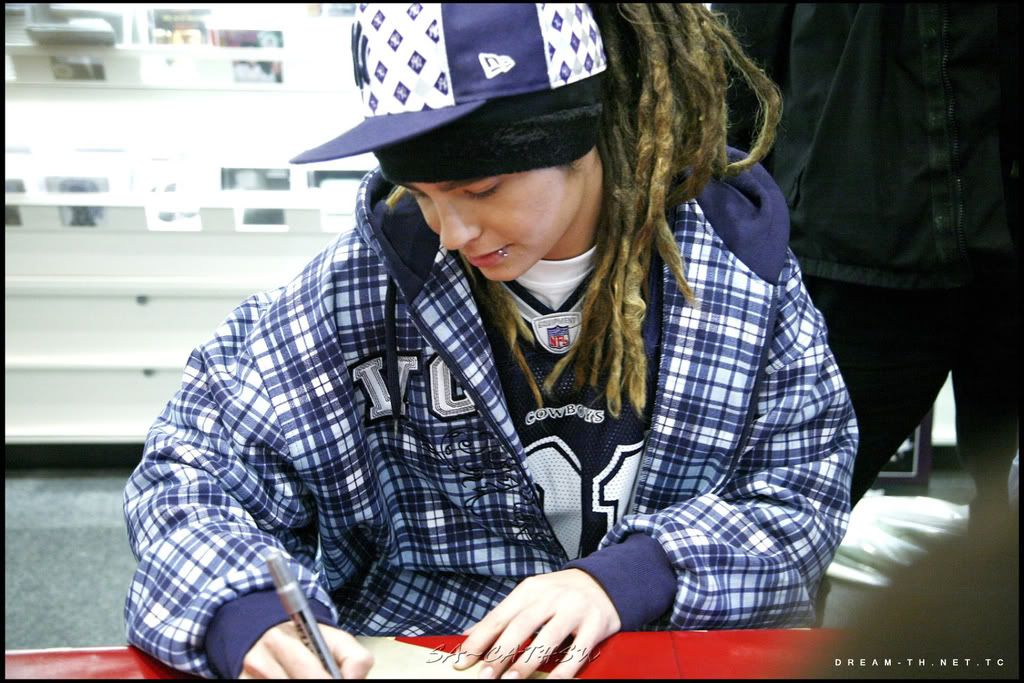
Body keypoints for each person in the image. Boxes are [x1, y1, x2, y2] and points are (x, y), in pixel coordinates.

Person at [123, 4, 856, 679]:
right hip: (426, 651)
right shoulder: (362, 287)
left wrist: (635, 575)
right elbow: (194, 468)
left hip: (667, 650)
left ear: (578, 135)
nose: (452, 232)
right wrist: (244, 611)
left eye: (480, 190)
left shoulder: (738, 275)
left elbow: (800, 498)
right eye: (423, 194)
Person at [715, 3, 1019, 521]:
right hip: (855, 240)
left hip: (996, 230)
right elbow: (740, 56)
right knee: (780, 508)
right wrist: (731, 216)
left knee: (1002, 523)